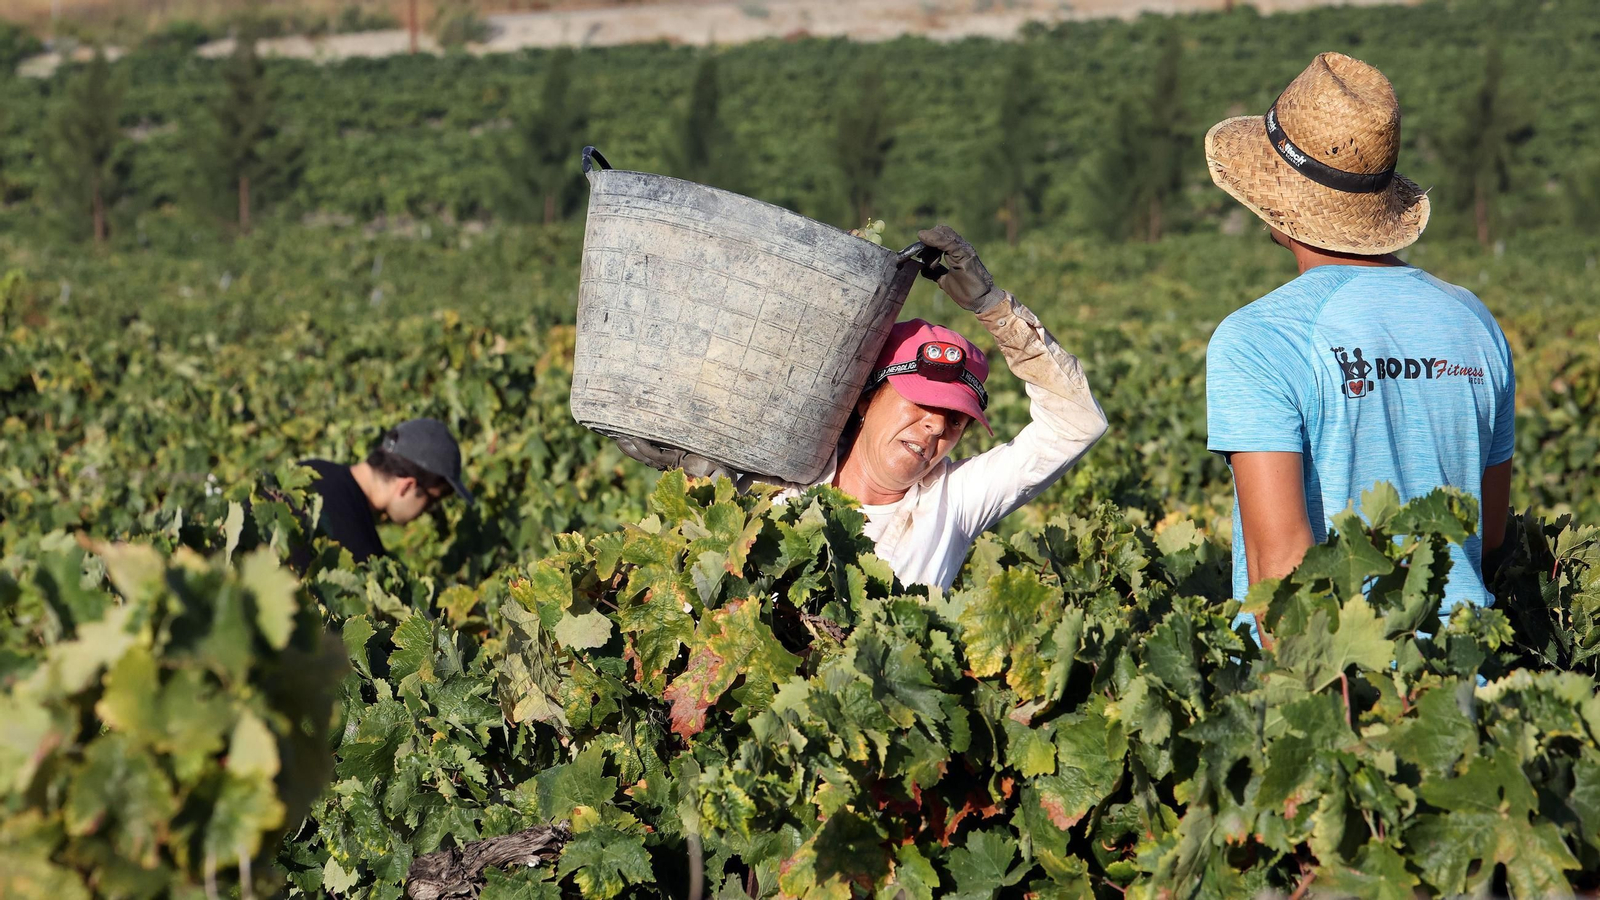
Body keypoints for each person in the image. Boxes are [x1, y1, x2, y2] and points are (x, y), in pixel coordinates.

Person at [1202, 52, 1515, 632]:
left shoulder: (1259, 339)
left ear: (1279, 195)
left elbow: (1281, 568)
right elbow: (1488, 530)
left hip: (1336, 694)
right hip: (1467, 688)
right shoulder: (1474, 320)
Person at [619, 226, 1108, 590]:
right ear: (865, 399)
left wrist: (995, 308)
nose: (936, 424)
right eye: (920, 402)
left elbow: (1075, 423)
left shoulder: (952, 502)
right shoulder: (775, 481)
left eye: (955, 418)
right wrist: (697, 486)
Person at [293, 417, 476, 568]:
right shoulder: (358, 554)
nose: (428, 511)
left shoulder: (308, 470)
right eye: (432, 500)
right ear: (407, 486)